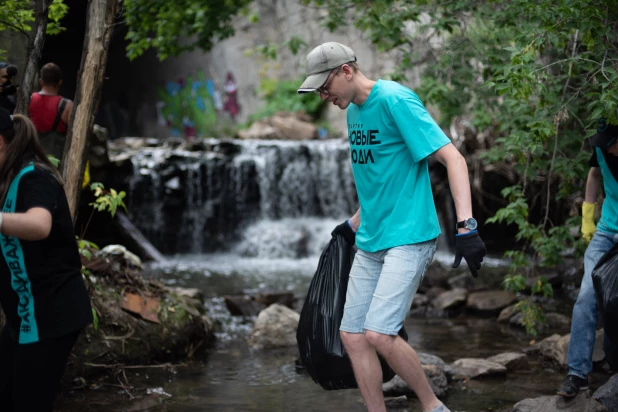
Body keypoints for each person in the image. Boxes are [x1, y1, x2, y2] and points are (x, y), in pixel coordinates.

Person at [298, 42, 486, 412]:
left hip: (410, 236)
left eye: (325, 86)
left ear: (346, 72)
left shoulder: (395, 100)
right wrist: (349, 227)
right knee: (352, 336)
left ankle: (434, 407)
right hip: (371, 240)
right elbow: (378, 183)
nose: (323, 96)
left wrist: (467, 225)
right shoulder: (353, 112)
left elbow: (453, 158)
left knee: (379, 333)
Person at [0, 109, 92, 411]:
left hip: (51, 313)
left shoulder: (34, 176)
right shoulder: (9, 177)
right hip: (26, 314)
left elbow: (40, 225)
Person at [557, 118, 618, 398]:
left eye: (612, 144)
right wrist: (587, 216)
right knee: (586, 297)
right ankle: (578, 374)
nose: (608, 150)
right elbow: (594, 175)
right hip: (606, 232)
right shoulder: (602, 148)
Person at [28, 62, 73, 160]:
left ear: (41, 81)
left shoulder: (29, 100)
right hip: (55, 163)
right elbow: (75, 136)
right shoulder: (67, 106)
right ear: (60, 82)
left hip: (29, 159)